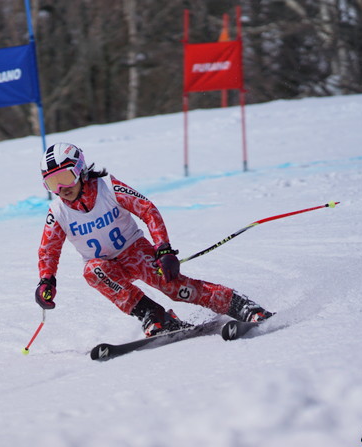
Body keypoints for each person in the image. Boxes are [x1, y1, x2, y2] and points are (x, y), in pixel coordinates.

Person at [35, 143, 273, 336]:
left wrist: (163, 250)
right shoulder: (58, 212)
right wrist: (46, 282)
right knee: (92, 270)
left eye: (66, 177)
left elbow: (148, 210)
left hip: (135, 253)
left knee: (176, 288)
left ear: (80, 170)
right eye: (53, 183)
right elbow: (48, 250)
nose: (62, 188)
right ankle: (154, 315)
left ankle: (241, 305)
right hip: (107, 268)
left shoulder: (107, 187)